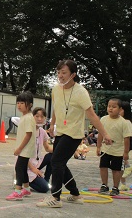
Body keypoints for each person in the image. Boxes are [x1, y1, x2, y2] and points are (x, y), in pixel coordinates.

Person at [37, 59, 113, 208]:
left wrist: (105, 134)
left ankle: (55, 198)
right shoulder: (55, 89)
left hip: (73, 134)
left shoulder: (80, 92)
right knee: (60, 163)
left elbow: (91, 115)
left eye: (64, 72)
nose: (60, 76)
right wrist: (52, 124)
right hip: (61, 131)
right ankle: (76, 195)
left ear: (73, 74)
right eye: (58, 72)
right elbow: (56, 108)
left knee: (56, 161)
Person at [97, 98, 131, 196]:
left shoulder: (124, 122)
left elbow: (127, 138)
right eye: (109, 106)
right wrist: (98, 147)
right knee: (103, 167)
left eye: (114, 107)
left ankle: (115, 187)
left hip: (118, 151)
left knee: (116, 170)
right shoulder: (103, 119)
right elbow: (100, 134)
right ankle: (104, 185)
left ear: (120, 109)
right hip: (105, 149)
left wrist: (125, 152)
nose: (111, 108)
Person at [6, 91, 36, 201]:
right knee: (22, 168)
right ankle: (26, 189)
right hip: (24, 148)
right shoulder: (24, 116)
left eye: (22, 103)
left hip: (26, 148)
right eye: (18, 103)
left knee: (19, 167)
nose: (19, 105)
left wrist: (19, 148)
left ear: (30, 104)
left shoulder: (28, 117)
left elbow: (28, 134)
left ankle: (18, 191)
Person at [28, 107, 53, 193]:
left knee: (52, 156)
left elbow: (48, 148)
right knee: (44, 188)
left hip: (37, 163)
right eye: (37, 116)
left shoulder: (42, 132)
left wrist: (61, 149)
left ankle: (46, 179)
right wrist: (33, 169)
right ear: (32, 117)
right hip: (26, 164)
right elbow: (22, 154)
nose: (39, 119)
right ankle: (23, 180)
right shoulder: (28, 131)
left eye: (42, 117)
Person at [120, 101, 132, 191]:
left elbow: (127, 137)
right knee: (121, 164)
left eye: (120, 109)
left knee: (122, 161)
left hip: (126, 143)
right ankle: (123, 184)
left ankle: (128, 167)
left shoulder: (126, 122)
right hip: (123, 143)